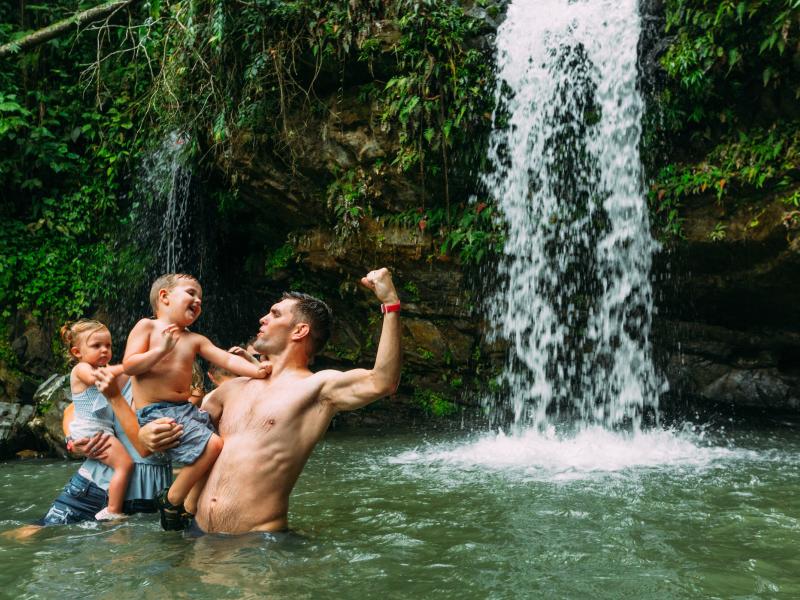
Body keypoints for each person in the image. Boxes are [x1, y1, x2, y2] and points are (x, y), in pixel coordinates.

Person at [123, 267, 402, 534]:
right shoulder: (230, 390)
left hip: (259, 545)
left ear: (299, 331)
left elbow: (383, 381)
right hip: (198, 535)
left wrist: (390, 305)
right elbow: (164, 440)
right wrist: (147, 434)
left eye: (275, 314)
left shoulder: (318, 387)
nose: (262, 319)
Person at [122, 273, 271, 530]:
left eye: (201, 298)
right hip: (158, 412)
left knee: (220, 449)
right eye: (191, 293)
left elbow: (226, 359)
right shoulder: (147, 327)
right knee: (213, 445)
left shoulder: (195, 339)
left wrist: (256, 371)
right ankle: (171, 499)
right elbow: (130, 365)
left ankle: (189, 506)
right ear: (164, 297)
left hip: (186, 410)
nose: (198, 300)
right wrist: (159, 351)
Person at [60, 319, 133, 520]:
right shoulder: (81, 368)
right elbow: (97, 379)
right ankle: (113, 510)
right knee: (124, 464)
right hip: (92, 430)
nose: (104, 350)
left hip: (97, 430)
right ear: (77, 352)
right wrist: (130, 366)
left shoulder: (106, 369)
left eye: (108, 346)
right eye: (96, 346)